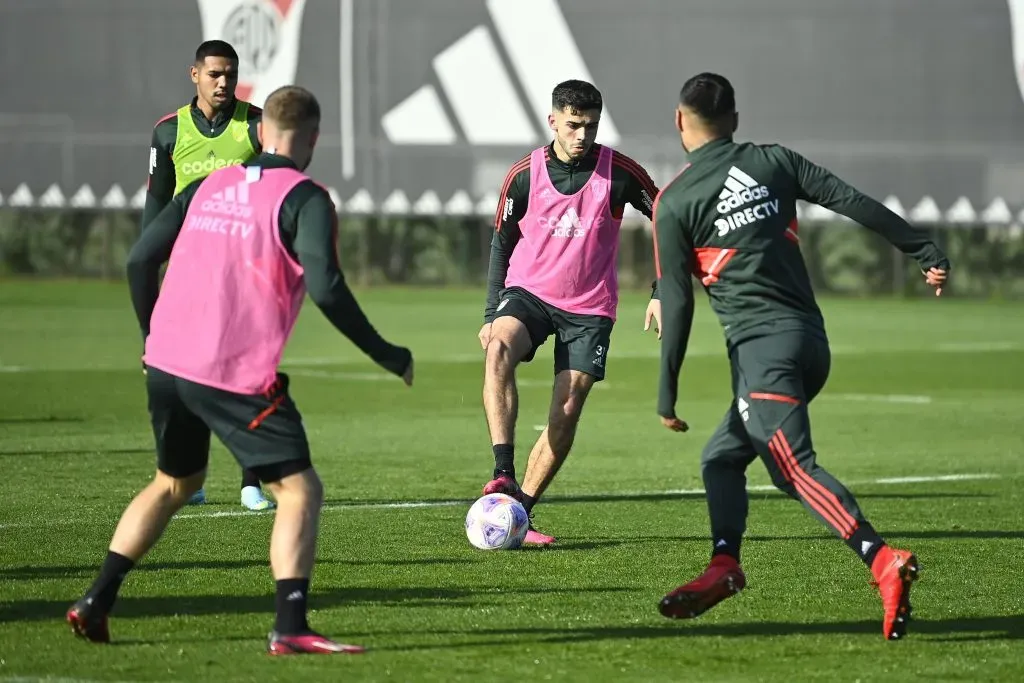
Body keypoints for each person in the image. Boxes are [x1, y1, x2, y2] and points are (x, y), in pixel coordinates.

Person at [67, 85, 414, 654]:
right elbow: (326, 287)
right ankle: (291, 625)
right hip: (230, 370)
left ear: (259, 131)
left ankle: (95, 601)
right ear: (314, 138)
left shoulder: (210, 183)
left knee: (175, 483)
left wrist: (149, 333)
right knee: (300, 491)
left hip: (167, 360)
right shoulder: (306, 197)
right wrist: (387, 353)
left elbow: (138, 259)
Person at [648, 72, 949, 640]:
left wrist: (666, 392)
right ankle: (724, 564)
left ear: (679, 121)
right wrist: (922, 247)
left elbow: (676, 302)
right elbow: (851, 201)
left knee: (790, 467)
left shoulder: (677, 200)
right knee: (721, 459)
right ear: (734, 119)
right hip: (810, 344)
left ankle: (881, 558)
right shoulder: (774, 161)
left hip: (764, 355)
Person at [479, 79, 660, 545]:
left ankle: (518, 513)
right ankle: (502, 472)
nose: (583, 134)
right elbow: (502, 242)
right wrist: (489, 313)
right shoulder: (523, 174)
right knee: (499, 348)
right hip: (529, 293)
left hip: (589, 308)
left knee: (565, 410)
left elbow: (668, 217)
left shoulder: (619, 172)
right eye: (574, 124)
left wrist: (662, 287)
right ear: (553, 120)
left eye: (592, 126)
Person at [143, 39, 271, 511]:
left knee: (250, 377)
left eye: (231, 74)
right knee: (187, 379)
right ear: (194, 74)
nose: (224, 82)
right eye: (215, 74)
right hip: (189, 278)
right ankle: (189, 478)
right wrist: (151, 271)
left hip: (247, 275)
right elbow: (155, 210)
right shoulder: (167, 133)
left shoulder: (257, 126)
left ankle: (251, 484)